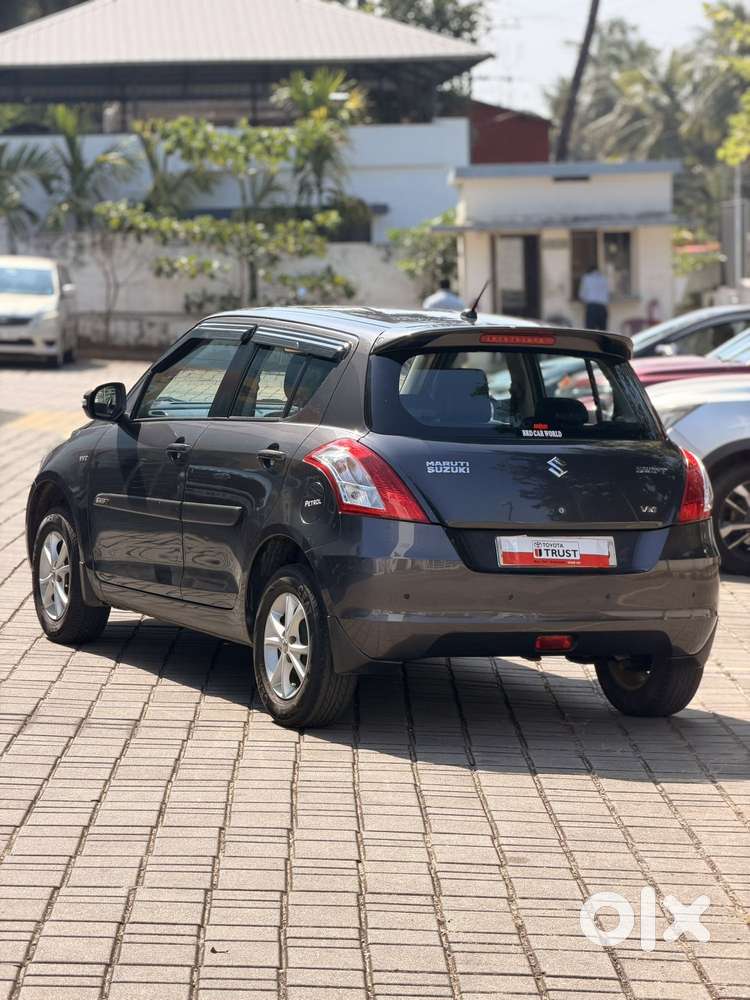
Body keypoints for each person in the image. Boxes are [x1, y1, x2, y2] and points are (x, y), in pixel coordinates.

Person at [578, 263, 609, 330]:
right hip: (602, 308)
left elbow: (582, 295)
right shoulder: (604, 278)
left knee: (590, 332)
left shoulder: (586, 278)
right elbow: (608, 294)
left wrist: (584, 304)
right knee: (603, 333)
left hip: (591, 307)